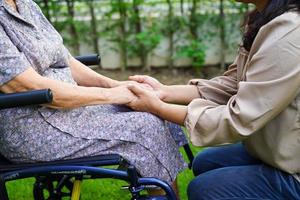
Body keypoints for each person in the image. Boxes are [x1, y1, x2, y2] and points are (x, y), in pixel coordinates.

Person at [0, 0, 188, 189]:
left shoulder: (26, 5)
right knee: (146, 126)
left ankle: (165, 184)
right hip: (34, 127)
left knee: (152, 106)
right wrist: (115, 95)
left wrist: (119, 85)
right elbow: (27, 86)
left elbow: (65, 60)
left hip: (69, 110)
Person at [127, 0, 300, 199]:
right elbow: (234, 84)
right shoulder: (268, 19)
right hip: (279, 150)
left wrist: (158, 108)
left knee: (204, 189)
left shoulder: (288, 32)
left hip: (294, 170)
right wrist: (164, 92)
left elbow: (239, 118)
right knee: (205, 162)